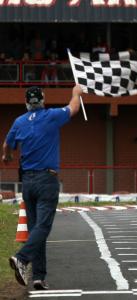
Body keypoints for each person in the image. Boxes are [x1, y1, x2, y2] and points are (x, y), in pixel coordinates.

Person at [2, 84, 82, 290]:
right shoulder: (52, 115)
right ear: (43, 99)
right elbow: (73, 108)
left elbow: (7, 145)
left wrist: (7, 156)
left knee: (36, 228)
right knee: (43, 227)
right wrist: (76, 93)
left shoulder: (19, 122)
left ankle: (38, 277)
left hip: (27, 182)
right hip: (47, 179)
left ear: (26, 102)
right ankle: (22, 258)